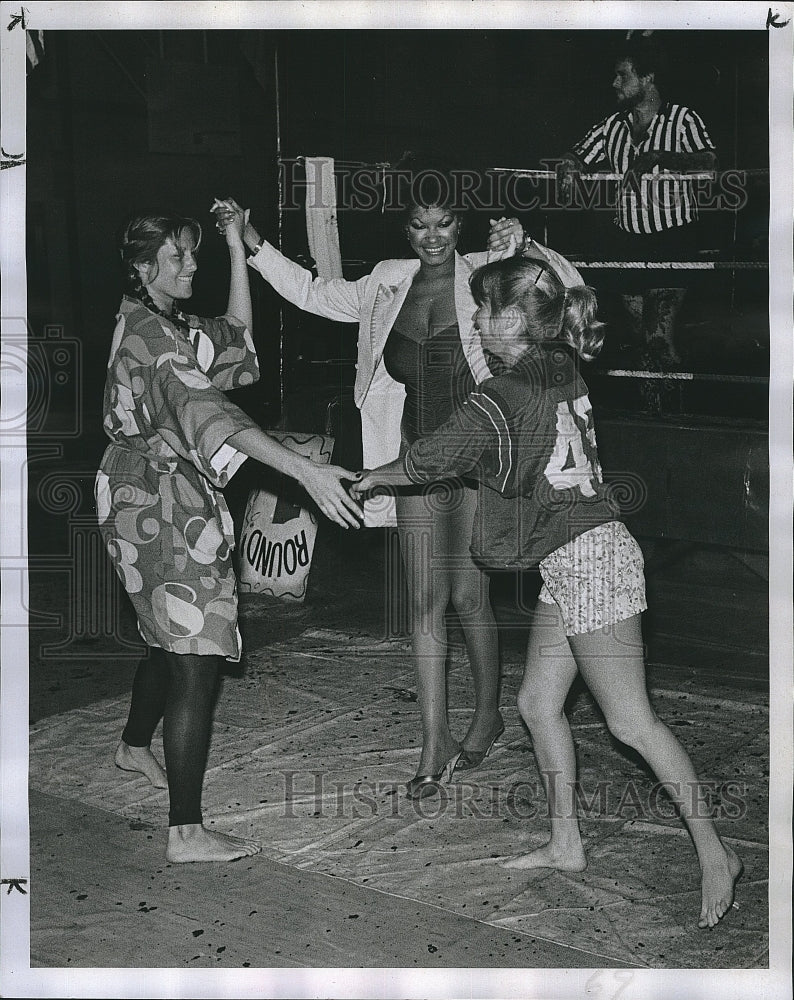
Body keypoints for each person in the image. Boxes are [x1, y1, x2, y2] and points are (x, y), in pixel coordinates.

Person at [352, 251, 743, 929]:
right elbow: (548, 319)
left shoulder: (504, 394)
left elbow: (432, 457)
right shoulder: (559, 363)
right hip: (570, 559)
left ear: (510, 317)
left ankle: (716, 851)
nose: (473, 320)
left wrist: (365, 478)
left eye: (481, 308)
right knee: (537, 703)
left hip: (592, 559)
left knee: (631, 722)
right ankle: (566, 842)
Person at [214, 173, 580, 798]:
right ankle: (433, 738)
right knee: (422, 605)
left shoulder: (492, 271)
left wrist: (529, 249)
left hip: (477, 460)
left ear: (459, 225)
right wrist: (251, 242)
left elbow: (568, 296)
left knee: (470, 599)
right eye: (419, 225)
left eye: (443, 224)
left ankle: (487, 713)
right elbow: (313, 293)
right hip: (414, 460)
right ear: (404, 228)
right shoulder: (386, 280)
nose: (432, 237)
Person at [95, 203, 363, 863]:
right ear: (141, 268)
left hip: (153, 496)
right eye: (179, 256)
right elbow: (209, 411)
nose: (192, 265)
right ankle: (185, 832)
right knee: (196, 653)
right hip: (155, 499)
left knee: (168, 639)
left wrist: (233, 246)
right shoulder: (150, 338)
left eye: (194, 253)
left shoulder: (170, 322)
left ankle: (132, 749)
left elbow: (238, 338)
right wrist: (304, 470)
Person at [557, 35, 717, 376]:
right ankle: (653, 414)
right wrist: (570, 166)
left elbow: (709, 163)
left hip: (672, 240)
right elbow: (577, 154)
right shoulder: (611, 126)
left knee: (659, 338)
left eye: (622, 75)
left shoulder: (682, 119)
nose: (614, 82)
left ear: (647, 77)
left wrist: (660, 157)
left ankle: (673, 417)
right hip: (628, 241)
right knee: (640, 338)